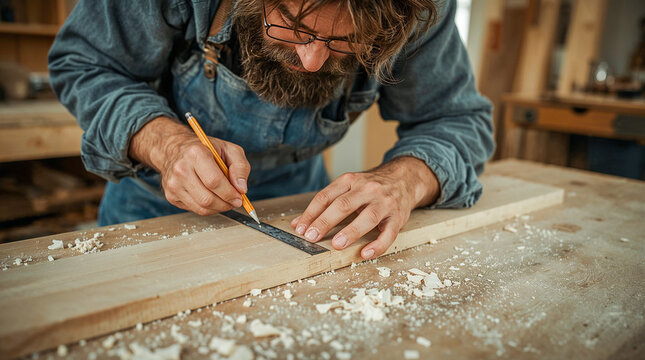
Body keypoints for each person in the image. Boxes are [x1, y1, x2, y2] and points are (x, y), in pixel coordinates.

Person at [48, 0, 494, 260]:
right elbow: (86, 63)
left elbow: (455, 119)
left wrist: (405, 180)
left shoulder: (417, 10)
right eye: (294, 27)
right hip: (152, 206)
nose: (312, 61)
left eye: (346, 41)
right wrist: (165, 144)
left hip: (300, 206)